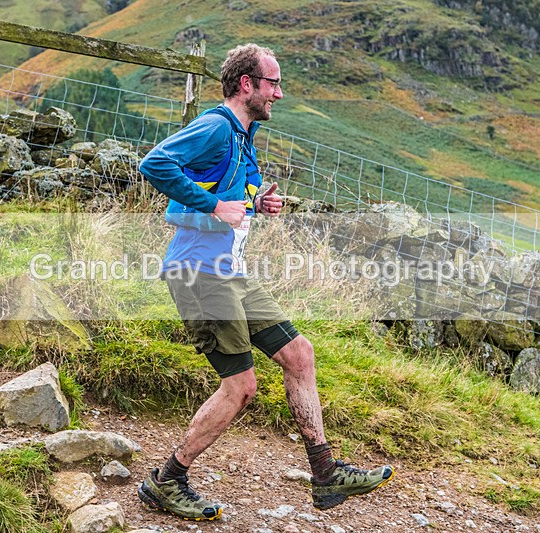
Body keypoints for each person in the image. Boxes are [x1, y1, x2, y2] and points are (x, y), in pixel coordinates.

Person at [137, 43, 394, 521]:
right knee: (240, 387)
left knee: (299, 354)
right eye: (273, 83)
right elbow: (155, 163)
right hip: (199, 274)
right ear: (246, 84)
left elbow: (225, 194)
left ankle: (325, 473)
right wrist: (215, 206)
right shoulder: (217, 127)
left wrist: (256, 204)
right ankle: (166, 481)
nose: (279, 93)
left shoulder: (243, 136)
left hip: (232, 273)